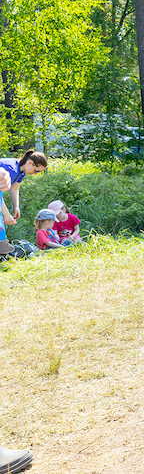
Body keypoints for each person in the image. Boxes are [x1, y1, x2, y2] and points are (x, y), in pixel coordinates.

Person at [0, 167, 35, 472]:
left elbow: (9, 185)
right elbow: (4, 175)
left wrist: (12, 207)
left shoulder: (16, 175)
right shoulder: (12, 167)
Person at [0, 150, 48, 221]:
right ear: (30, 163)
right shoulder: (12, 170)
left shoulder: (21, 171)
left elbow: (14, 189)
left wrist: (16, 207)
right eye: (36, 171)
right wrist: (6, 215)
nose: (35, 174)